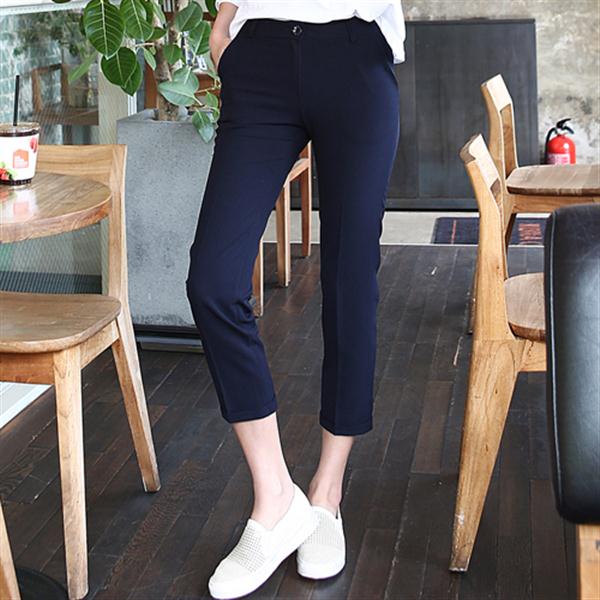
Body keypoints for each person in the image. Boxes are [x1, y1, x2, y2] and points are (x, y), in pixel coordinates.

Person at [185, 1, 405, 598]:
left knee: (351, 280)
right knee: (213, 280)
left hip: (354, 54)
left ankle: (327, 494)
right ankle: (276, 496)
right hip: (259, 57)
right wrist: (224, 24)